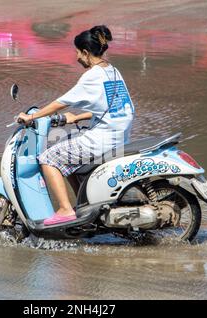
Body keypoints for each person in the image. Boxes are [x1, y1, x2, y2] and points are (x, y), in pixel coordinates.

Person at [17, 25, 134, 225]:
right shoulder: (112, 71)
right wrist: (78, 118)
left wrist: (32, 117)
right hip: (119, 136)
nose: (77, 57)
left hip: (102, 140)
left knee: (48, 158)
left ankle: (64, 210)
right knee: (67, 145)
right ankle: (83, 205)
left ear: (86, 53)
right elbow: (116, 108)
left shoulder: (91, 76)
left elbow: (60, 103)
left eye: (78, 52)